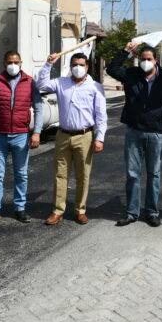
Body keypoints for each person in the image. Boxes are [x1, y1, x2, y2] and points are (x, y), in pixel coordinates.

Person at [108, 42, 162, 227]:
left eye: (149, 59)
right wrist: (125, 51)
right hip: (134, 131)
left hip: (156, 133)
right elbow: (112, 69)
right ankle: (132, 212)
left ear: (156, 60)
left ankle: (151, 212)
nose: (146, 62)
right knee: (132, 173)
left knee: (153, 173)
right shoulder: (131, 74)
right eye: (143, 59)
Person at [35, 51, 107, 225]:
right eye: (74, 64)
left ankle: (80, 210)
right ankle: (58, 210)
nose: (78, 68)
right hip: (63, 135)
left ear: (87, 66)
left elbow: (101, 115)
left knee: (83, 175)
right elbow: (40, 84)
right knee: (60, 175)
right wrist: (48, 63)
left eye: (81, 65)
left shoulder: (95, 87)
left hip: (85, 136)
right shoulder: (61, 83)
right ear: (70, 66)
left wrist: (100, 138)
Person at [0, 50, 43, 225]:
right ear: (4, 64)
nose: (13, 65)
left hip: (21, 136)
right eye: (9, 62)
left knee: (21, 174)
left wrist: (36, 132)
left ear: (21, 63)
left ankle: (19, 208)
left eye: (16, 62)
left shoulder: (29, 82)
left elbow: (38, 108)